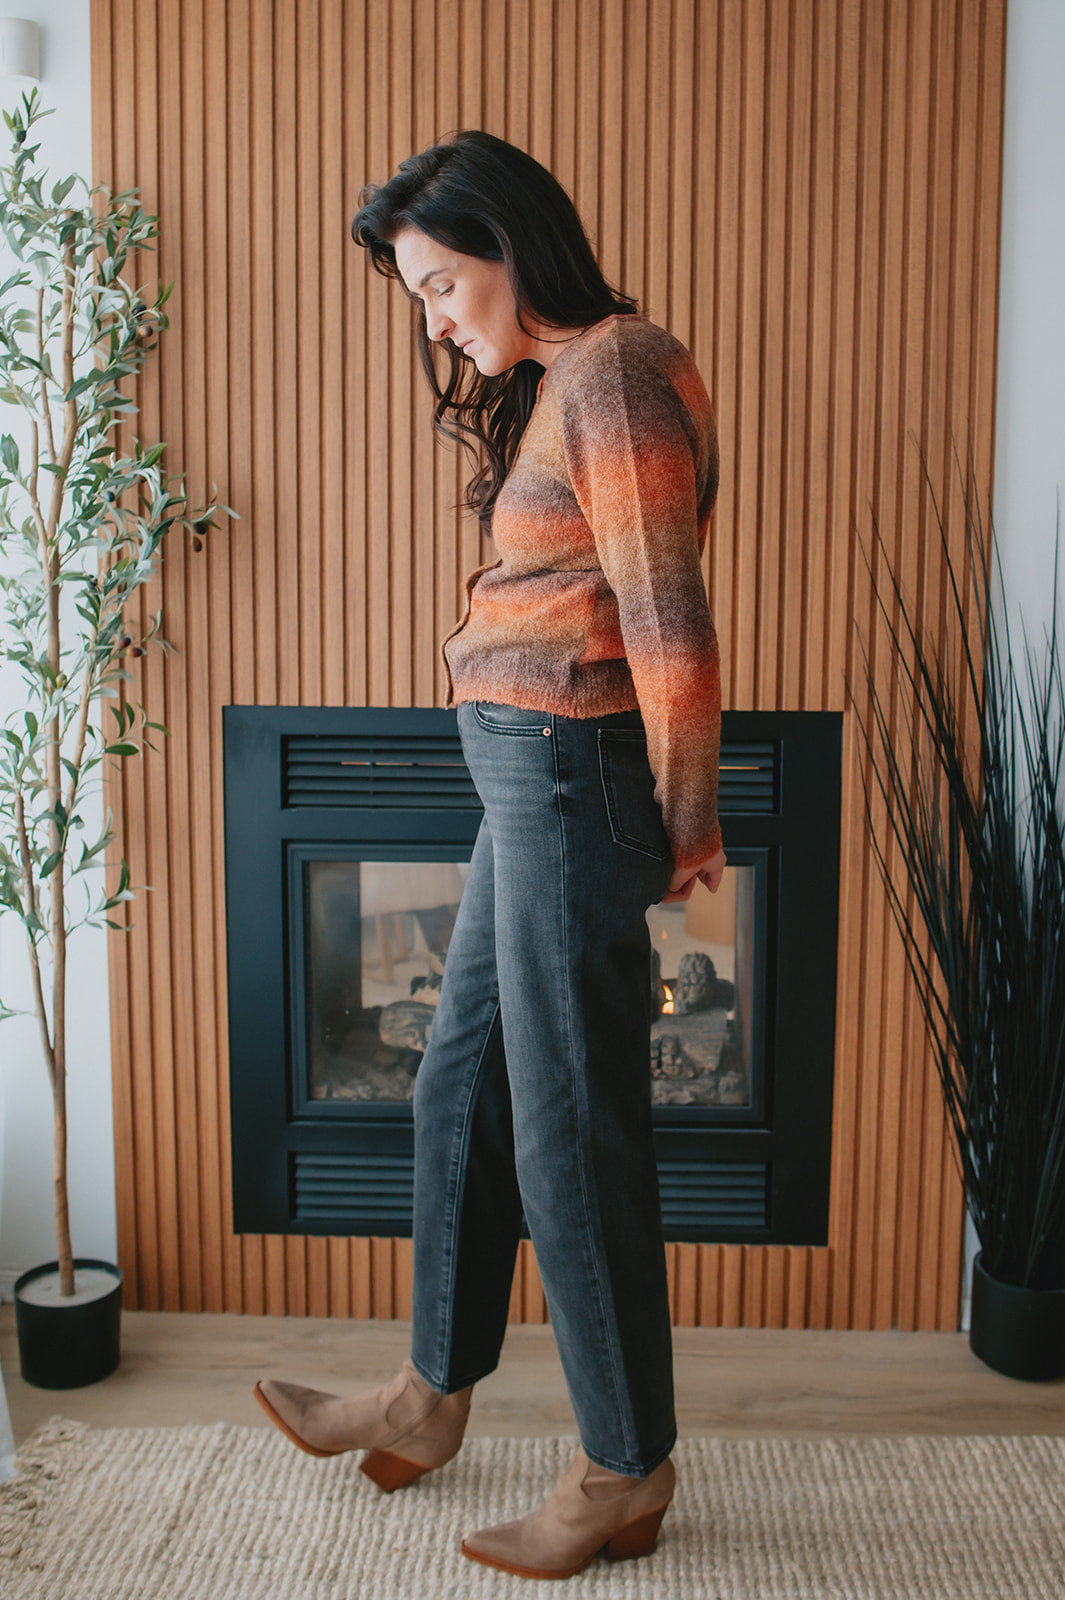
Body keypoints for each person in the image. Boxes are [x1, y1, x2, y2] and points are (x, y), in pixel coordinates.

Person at [254, 129, 725, 1581]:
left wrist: (686, 821)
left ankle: (623, 1468)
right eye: (419, 295)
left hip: (574, 780)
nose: (437, 320)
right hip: (531, 783)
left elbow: (666, 613)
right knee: (455, 1087)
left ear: (512, 246)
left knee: (570, 1131)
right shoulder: (564, 381)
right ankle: (428, 1393)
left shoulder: (614, 370)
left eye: (443, 284)